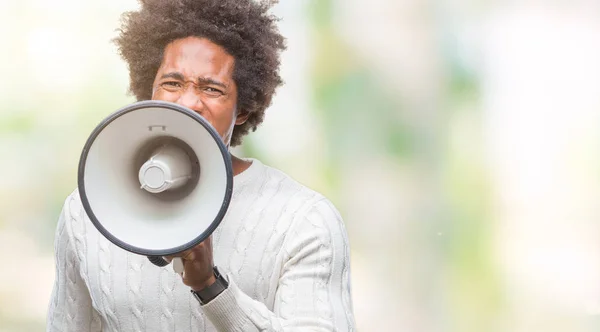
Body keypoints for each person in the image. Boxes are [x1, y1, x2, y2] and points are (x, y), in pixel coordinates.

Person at [46, 0, 355, 331]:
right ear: (149, 88)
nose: (189, 102)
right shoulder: (87, 213)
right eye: (172, 83)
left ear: (244, 109)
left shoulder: (303, 221)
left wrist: (210, 286)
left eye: (211, 88)